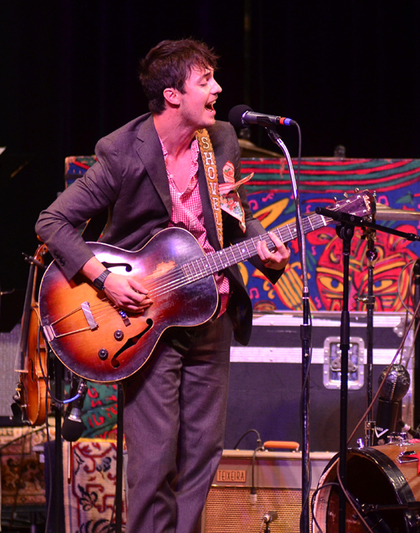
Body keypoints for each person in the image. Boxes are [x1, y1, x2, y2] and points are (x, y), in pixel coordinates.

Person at [36, 39, 290, 533]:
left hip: (210, 312)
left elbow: (232, 219)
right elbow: (52, 222)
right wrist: (104, 278)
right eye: (205, 81)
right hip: (144, 319)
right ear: (172, 95)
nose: (218, 89)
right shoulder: (122, 152)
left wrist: (265, 250)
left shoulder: (220, 140)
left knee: (202, 455)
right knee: (154, 461)